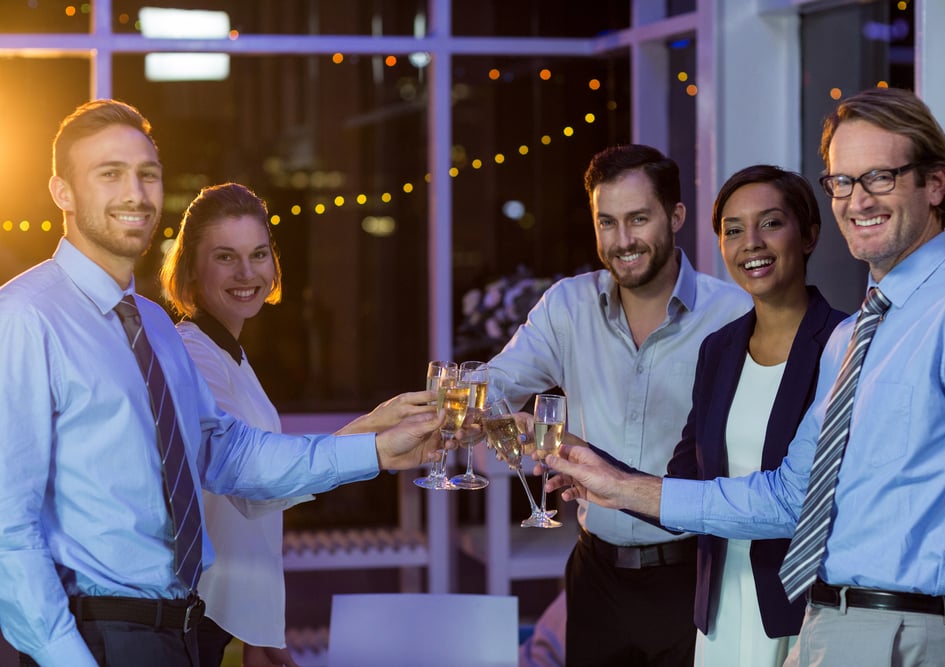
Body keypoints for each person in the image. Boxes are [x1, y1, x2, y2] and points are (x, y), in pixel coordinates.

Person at [545, 87, 945, 667]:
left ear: (936, 184)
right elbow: (789, 498)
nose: (857, 200)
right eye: (842, 181)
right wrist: (615, 483)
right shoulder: (856, 335)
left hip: (913, 631)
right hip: (830, 625)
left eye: (879, 177)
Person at [0, 98, 442, 667]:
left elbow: (226, 454)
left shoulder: (153, 327)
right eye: (109, 174)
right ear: (62, 191)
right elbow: (7, 530)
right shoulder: (25, 316)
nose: (135, 192)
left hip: (180, 628)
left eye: (148, 174)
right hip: (99, 635)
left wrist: (376, 451)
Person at [488, 143, 752, 666]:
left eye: (638, 219)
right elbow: (497, 383)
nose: (623, 240)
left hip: (696, 576)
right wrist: (491, 418)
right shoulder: (567, 306)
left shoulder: (735, 313)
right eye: (607, 222)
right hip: (596, 577)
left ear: (675, 216)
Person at [159, 183, 436, 667]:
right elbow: (251, 482)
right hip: (199, 618)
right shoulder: (192, 354)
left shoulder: (227, 350)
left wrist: (373, 424)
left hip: (227, 618)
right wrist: (377, 448)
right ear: (190, 270)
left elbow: (265, 482)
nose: (247, 273)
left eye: (258, 254)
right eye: (225, 257)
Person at [668, 165, 846, 665]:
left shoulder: (845, 344)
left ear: (809, 235)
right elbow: (684, 479)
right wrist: (591, 471)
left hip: (806, 613)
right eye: (733, 229)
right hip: (721, 607)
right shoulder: (718, 350)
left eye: (770, 223)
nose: (751, 243)